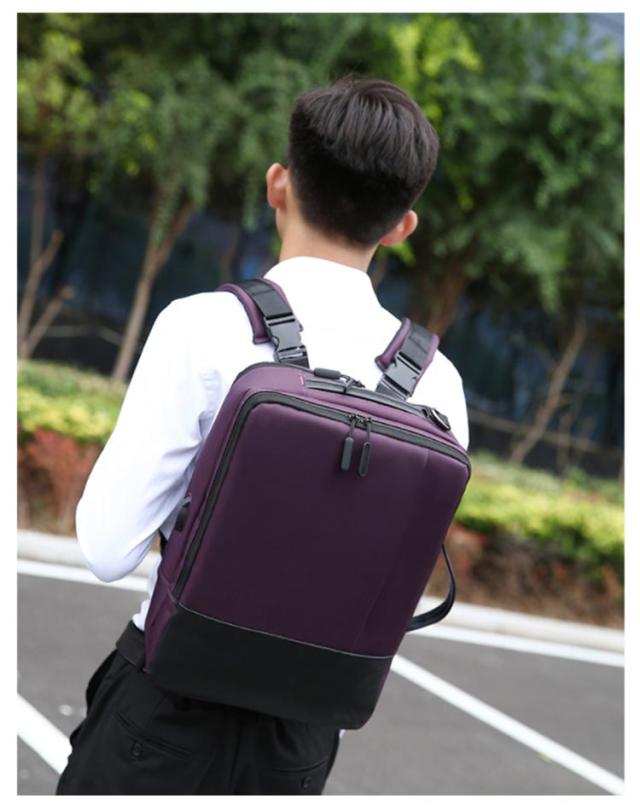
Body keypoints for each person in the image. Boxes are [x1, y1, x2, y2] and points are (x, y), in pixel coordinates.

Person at [56, 74, 470, 795]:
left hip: (164, 710)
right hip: (299, 743)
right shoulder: (438, 382)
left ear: (278, 183)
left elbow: (106, 548)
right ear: (402, 226)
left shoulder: (203, 326)